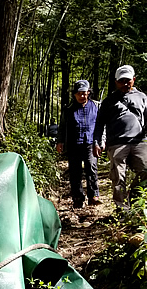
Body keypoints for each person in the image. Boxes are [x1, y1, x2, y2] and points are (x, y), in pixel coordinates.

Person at [93, 64, 147, 209]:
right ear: (116, 82)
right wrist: (97, 142)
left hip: (139, 141)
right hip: (116, 143)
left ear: (134, 80)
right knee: (118, 177)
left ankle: (135, 199)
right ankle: (122, 209)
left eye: (127, 81)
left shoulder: (142, 97)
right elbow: (99, 123)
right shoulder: (109, 101)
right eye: (121, 81)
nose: (124, 84)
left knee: (145, 170)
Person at [56, 79, 100, 208]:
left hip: (91, 143)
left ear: (88, 93)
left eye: (84, 93)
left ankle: (93, 196)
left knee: (91, 168)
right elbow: (62, 127)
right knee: (75, 172)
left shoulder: (96, 106)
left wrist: (101, 141)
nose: (82, 96)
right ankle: (77, 198)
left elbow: (101, 126)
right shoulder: (69, 109)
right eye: (79, 93)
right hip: (74, 144)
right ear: (74, 94)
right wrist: (60, 141)